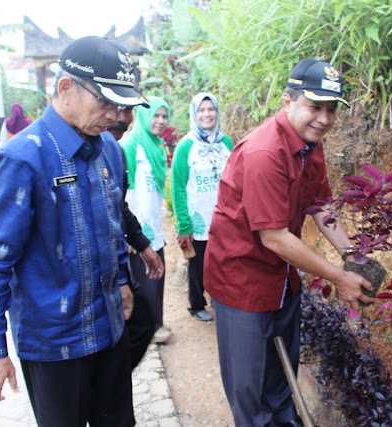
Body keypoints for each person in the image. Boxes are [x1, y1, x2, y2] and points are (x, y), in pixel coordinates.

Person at [0, 36, 149, 426]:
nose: (114, 114)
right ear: (66, 88)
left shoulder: (109, 151)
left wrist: (121, 281)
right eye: (105, 101)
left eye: (120, 103)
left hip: (109, 330)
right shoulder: (23, 159)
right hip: (55, 345)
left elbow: (113, 224)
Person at [204, 58, 378, 426]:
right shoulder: (265, 152)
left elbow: (320, 205)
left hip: (282, 281)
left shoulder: (311, 145)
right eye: (315, 107)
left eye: (331, 109)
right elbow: (276, 238)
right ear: (287, 102)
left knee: (282, 381)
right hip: (242, 284)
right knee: (250, 392)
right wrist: (339, 277)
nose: (324, 119)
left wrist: (352, 256)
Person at [107, 106, 166, 369]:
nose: (121, 116)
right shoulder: (128, 145)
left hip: (137, 237)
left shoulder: (112, 149)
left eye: (128, 110)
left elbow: (118, 203)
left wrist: (141, 242)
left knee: (143, 321)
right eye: (112, 106)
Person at [171, 92, 233, 322]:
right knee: (197, 266)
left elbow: (236, 180)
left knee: (223, 263)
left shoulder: (226, 143)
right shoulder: (186, 146)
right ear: (194, 114)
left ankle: (220, 298)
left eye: (211, 109)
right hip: (197, 220)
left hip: (224, 218)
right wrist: (183, 223)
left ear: (217, 112)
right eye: (201, 110)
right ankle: (196, 304)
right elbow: (177, 188)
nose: (207, 114)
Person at [119, 96, 172, 344]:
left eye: (164, 116)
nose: (160, 121)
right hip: (136, 228)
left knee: (156, 277)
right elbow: (120, 192)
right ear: (142, 117)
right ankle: (147, 329)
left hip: (153, 224)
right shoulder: (130, 145)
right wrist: (127, 232)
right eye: (155, 116)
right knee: (142, 280)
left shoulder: (156, 145)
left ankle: (156, 323)